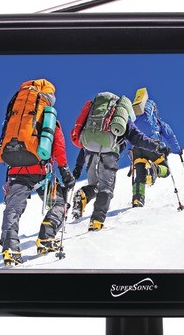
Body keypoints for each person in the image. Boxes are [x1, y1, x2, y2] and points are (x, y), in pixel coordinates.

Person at [71, 93, 170, 231]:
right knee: (106, 188)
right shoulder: (120, 118)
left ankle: (83, 194)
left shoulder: (93, 117)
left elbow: (83, 143)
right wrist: (156, 147)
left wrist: (78, 166)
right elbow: (137, 138)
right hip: (109, 153)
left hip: (89, 151)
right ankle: (96, 222)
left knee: (95, 185)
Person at [0, 112, 75, 266]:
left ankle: (10, 246)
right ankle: (46, 237)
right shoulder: (50, 121)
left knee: (13, 209)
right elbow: (59, 149)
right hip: (41, 173)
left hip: (16, 172)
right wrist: (66, 173)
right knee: (59, 204)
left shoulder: (14, 118)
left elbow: (0, 151)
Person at [129, 93, 182, 207]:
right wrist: (177, 150)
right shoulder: (157, 122)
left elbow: (129, 136)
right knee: (165, 170)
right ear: (153, 110)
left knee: (140, 175)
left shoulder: (133, 121)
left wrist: (130, 153)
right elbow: (170, 136)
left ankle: (137, 200)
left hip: (136, 151)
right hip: (153, 147)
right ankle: (155, 170)